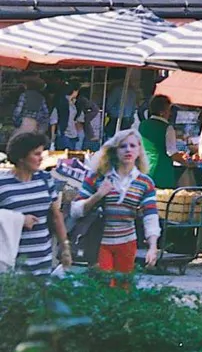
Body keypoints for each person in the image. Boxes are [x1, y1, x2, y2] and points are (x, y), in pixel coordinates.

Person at [75, 128, 160, 286]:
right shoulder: (97, 177)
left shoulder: (144, 182)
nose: (128, 150)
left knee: (123, 289)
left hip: (127, 242)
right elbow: (76, 210)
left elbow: (151, 216)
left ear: (139, 150)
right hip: (99, 241)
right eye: (123, 146)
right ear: (114, 150)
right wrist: (98, 195)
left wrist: (153, 246)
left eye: (133, 146)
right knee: (104, 287)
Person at [1, 130, 70, 274]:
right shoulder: (3, 182)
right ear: (21, 158)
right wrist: (20, 219)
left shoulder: (45, 178)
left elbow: (57, 216)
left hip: (42, 258)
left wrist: (65, 247)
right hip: (12, 261)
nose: (41, 159)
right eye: (36, 154)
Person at [136, 94, 180, 191]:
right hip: (161, 170)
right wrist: (186, 162)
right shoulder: (167, 128)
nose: (170, 113)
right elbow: (171, 152)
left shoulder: (142, 125)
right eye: (168, 110)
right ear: (162, 112)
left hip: (145, 167)